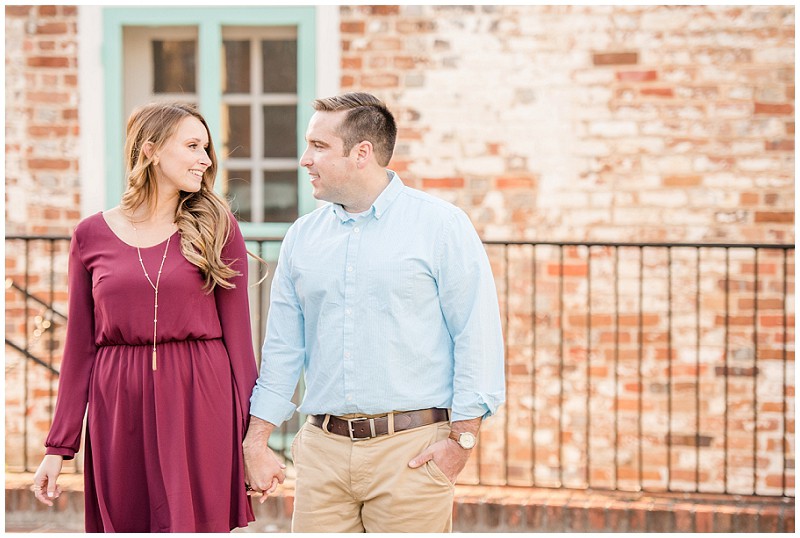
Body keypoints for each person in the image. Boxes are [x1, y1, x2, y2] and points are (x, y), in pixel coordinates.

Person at [243, 92, 505, 532]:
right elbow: (283, 350)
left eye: (319, 146)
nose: (305, 160)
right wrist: (256, 442)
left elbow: (476, 338)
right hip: (322, 452)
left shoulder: (441, 226)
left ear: (362, 153)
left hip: (412, 453)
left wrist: (460, 442)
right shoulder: (302, 238)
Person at [32, 102, 259, 532]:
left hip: (199, 396)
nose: (206, 160)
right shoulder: (90, 234)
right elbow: (80, 347)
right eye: (193, 146)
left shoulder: (217, 226)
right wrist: (58, 446)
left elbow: (240, 345)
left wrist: (254, 441)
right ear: (151, 151)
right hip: (117, 404)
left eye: (206, 148)